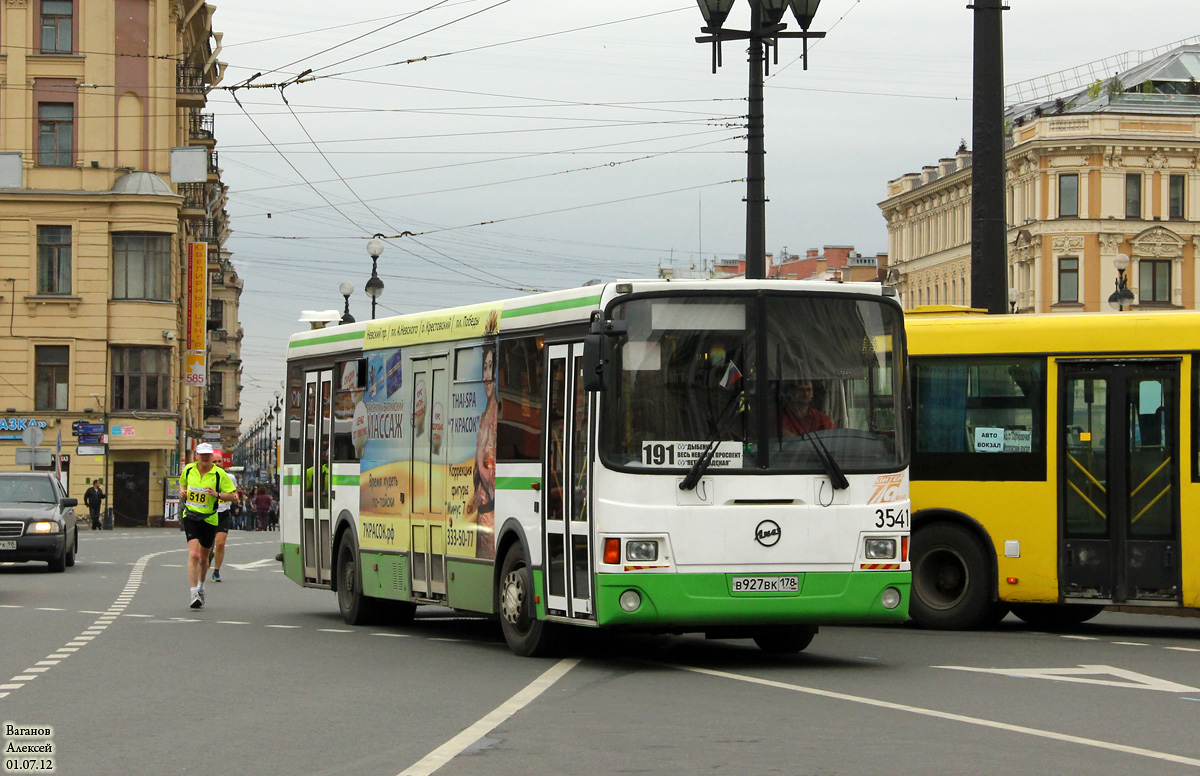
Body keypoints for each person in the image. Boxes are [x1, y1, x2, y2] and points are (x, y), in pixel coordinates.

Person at [178, 443, 236, 609]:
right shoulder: (189, 470)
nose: (204, 457)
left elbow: (232, 496)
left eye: (207, 455)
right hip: (190, 516)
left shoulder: (219, 474)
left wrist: (216, 494)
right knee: (194, 555)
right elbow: (182, 484)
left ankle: (201, 587)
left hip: (210, 518)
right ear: (196, 456)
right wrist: (182, 492)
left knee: (204, 559)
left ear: (211, 456)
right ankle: (193, 592)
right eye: (201, 454)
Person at [209, 472, 237, 582]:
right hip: (209, 513)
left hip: (223, 513)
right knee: (209, 544)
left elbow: (234, 493)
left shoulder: (230, 477)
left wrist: (235, 498)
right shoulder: (207, 477)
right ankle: (209, 555)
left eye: (219, 461)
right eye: (215, 461)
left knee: (220, 543)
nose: (217, 464)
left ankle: (216, 571)